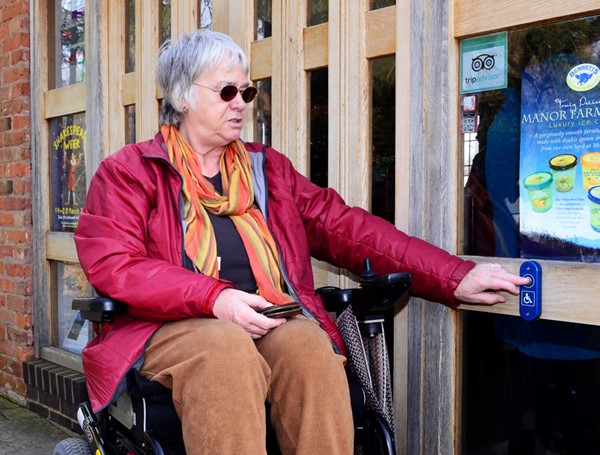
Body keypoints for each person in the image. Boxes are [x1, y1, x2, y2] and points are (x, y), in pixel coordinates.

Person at [74, 29, 528, 455]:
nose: (241, 104)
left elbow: (348, 228)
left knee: (310, 347)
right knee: (223, 350)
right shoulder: (131, 172)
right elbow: (117, 265)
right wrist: (216, 299)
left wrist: (455, 276)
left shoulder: (265, 171)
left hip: (268, 314)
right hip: (167, 327)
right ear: (182, 97)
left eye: (246, 92)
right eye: (227, 92)